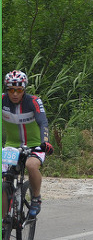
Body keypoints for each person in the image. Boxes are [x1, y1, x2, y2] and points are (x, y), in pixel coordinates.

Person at [2, 70, 53, 219]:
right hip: (12, 146)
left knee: (31, 165)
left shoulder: (33, 101)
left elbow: (43, 122)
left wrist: (45, 142)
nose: (15, 94)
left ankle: (36, 198)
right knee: (4, 181)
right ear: (7, 89)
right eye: (11, 90)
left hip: (34, 145)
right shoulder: (2, 101)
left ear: (24, 89)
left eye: (19, 90)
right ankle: (4, 221)